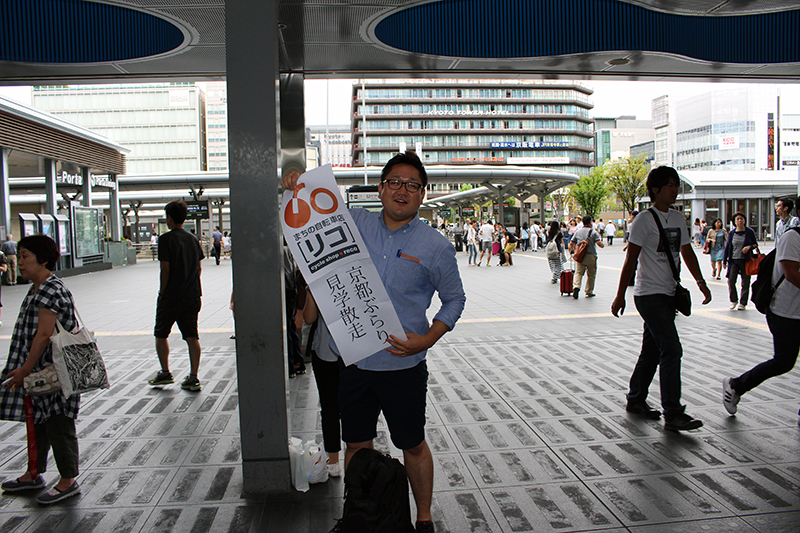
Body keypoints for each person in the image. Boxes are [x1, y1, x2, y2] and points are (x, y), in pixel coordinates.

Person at [281, 151, 465, 533]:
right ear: (380, 189)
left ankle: (424, 518)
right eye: (394, 182)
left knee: (412, 444)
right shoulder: (355, 223)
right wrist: (296, 180)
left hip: (403, 367)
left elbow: (455, 299)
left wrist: (427, 339)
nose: (402, 190)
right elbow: (312, 217)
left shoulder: (435, 246)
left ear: (423, 194)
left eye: (412, 185)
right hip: (356, 363)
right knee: (356, 445)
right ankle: (358, 515)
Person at [611, 166, 712, 432]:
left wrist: (702, 283)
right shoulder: (643, 220)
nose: (674, 189)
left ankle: (635, 399)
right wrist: (620, 295)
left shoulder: (678, 218)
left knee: (653, 350)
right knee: (672, 348)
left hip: (669, 294)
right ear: (655, 189)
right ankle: (673, 412)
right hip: (648, 295)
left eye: (676, 184)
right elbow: (630, 259)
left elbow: (687, 253)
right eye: (669, 184)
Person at [0, 235, 82, 504]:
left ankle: (68, 480)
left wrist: (24, 368)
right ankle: (33, 473)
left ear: (43, 259)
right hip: (42, 374)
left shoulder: (49, 290)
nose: (20, 262)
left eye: (25, 256)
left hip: (53, 372)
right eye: (20, 256)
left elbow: (44, 334)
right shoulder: (39, 287)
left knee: (59, 423)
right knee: (39, 421)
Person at [722, 217, 800, 415]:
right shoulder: (793, 237)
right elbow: (791, 273)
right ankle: (736, 386)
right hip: (785, 312)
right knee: (783, 361)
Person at [148, 200, 205, 391]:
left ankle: (165, 372)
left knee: (161, 333)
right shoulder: (193, 239)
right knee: (191, 336)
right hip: (192, 295)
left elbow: (165, 268)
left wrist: (163, 292)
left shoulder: (165, 240)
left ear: (169, 218)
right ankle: (194, 377)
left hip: (171, 295)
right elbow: (198, 268)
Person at [303, 292, 342, 477]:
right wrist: (312, 291)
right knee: (330, 407)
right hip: (326, 352)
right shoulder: (316, 281)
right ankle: (334, 458)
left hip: (352, 354)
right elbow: (309, 318)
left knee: (337, 407)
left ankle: (344, 457)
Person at [723, 212, 758, 310]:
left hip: (746, 261)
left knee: (745, 282)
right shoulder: (732, 233)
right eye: (737, 219)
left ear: (745, 220)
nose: (740, 221)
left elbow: (755, 244)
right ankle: (733, 300)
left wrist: (749, 247)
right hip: (734, 260)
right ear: (734, 222)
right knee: (731, 281)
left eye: (741, 219)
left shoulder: (749, 232)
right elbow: (728, 247)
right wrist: (724, 261)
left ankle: (743, 303)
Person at [568, 215, 604, 298]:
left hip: (580, 256)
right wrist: (602, 244)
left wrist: (572, 250)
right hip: (591, 256)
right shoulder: (594, 232)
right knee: (591, 274)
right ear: (590, 222)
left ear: (582, 222)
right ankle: (589, 291)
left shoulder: (578, 231)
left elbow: (572, 242)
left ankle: (576, 287)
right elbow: (599, 244)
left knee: (578, 273)